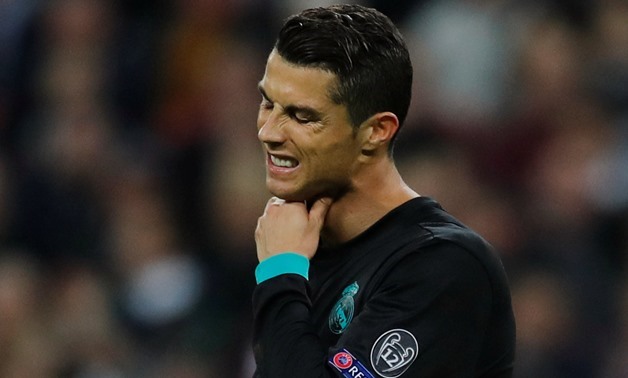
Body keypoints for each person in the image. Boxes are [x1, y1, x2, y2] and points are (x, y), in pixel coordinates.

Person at [252, 4, 515, 377]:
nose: (269, 132)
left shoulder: (444, 265)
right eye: (267, 103)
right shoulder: (300, 248)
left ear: (376, 131)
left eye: (302, 116)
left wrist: (280, 274)